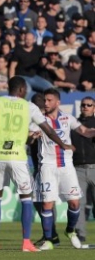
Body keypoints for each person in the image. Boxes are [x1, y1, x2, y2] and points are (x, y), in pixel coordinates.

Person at [0, 76, 74, 252]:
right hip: (17, 157)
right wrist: (63, 144)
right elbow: (48, 130)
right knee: (26, 198)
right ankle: (26, 242)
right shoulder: (29, 106)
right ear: (23, 90)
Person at [33, 89, 95, 250]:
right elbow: (28, 137)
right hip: (47, 166)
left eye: (49, 100)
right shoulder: (39, 119)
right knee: (47, 204)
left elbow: (85, 132)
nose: (46, 103)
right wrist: (32, 136)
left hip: (66, 166)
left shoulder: (68, 118)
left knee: (74, 203)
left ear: (57, 102)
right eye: (44, 100)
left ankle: (70, 230)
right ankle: (49, 240)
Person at [73, 97, 95, 242]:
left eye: (89, 105)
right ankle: (80, 234)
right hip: (77, 169)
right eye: (83, 105)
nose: (85, 107)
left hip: (94, 167)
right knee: (78, 203)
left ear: (94, 108)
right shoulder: (74, 124)